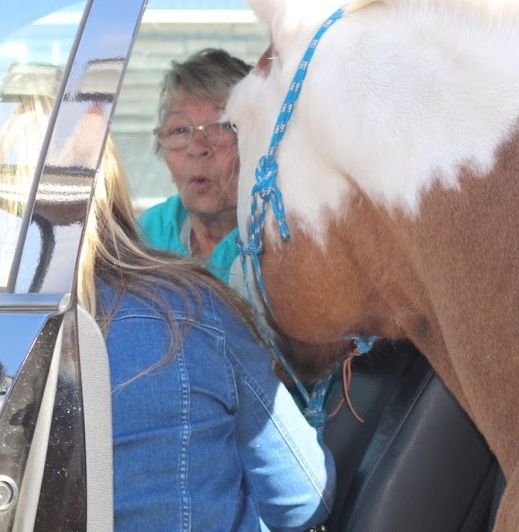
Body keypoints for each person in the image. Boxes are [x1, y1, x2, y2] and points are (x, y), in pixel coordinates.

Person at [78, 137, 335, 531]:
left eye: (217, 130)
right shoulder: (194, 310)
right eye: (180, 132)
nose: (198, 147)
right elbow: (300, 498)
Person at [138, 48, 250, 286]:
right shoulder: (144, 236)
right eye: (179, 130)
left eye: (222, 125)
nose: (197, 147)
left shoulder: (280, 238)